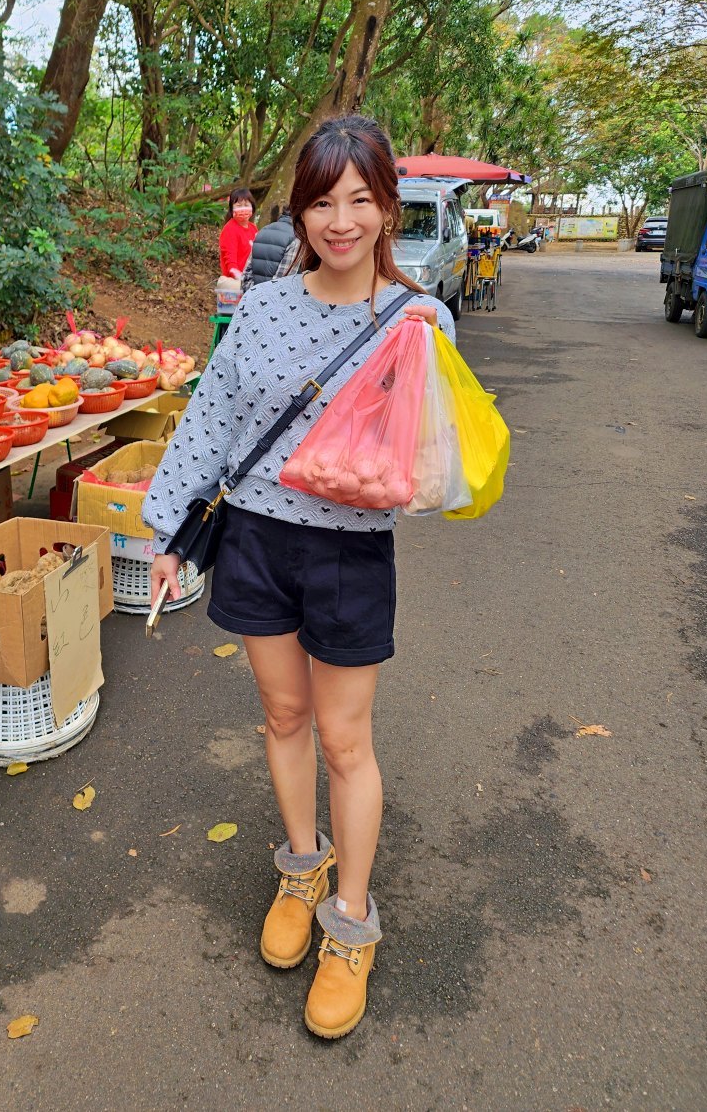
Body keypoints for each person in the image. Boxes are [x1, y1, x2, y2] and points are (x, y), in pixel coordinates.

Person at [143, 115, 455, 1040]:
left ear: (388, 205)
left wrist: (403, 455)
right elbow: (209, 422)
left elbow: (432, 465)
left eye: (360, 199)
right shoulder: (264, 308)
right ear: (301, 212)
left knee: (344, 741)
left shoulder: (419, 321)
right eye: (323, 201)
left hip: (350, 554)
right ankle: (300, 866)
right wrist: (168, 529)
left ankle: (350, 921)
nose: (341, 219)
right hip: (254, 542)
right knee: (281, 717)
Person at [240, 204, 297, 291]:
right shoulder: (296, 238)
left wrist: (253, 295)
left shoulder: (262, 231)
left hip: (252, 296)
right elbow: (282, 283)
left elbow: (246, 274)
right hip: (273, 301)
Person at [218, 187, 258, 281]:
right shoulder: (230, 229)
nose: (243, 208)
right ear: (232, 209)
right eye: (239, 205)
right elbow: (230, 259)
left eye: (246, 204)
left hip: (251, 280)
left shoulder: (253, 228)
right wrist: (238, 276)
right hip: (235, 284)